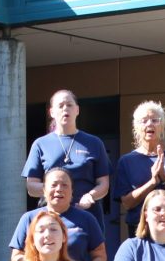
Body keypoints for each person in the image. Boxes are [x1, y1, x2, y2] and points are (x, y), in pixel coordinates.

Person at [22, 89, 111, 229]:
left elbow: (104, 184)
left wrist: (90, 196)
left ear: (77, 110)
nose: (65, 109)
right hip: (51, 217)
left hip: (86, 214)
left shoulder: (94, 143)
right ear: (51, 112)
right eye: (61, 105)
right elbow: (31, 186)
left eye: (69, 105)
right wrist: (53, 192)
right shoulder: (40, 144)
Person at [115, 101, 165, 238]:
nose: (149, 124)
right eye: (144, 121)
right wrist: (152, 182)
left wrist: (164, 177)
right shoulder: (127, 161)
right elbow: (127, 203)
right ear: (136, 127)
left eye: (155, 120)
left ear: (162, 126)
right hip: (140, 227)